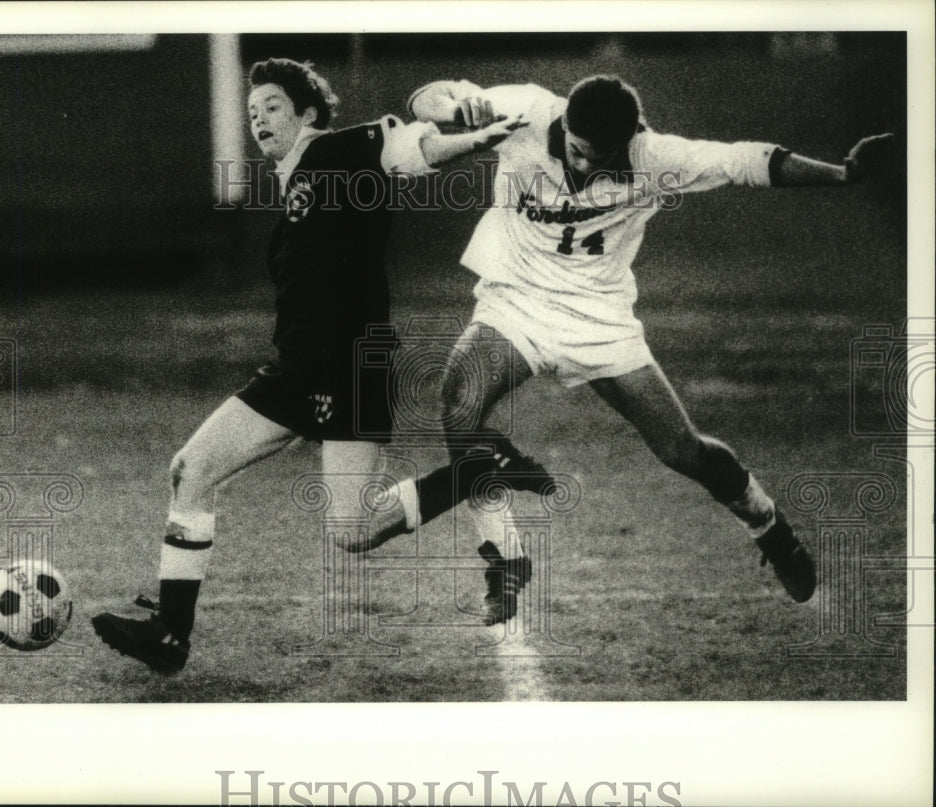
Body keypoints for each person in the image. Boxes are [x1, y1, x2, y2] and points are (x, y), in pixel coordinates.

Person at [91, 58, 544, 673]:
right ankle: (171, 634)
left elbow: (413, 148)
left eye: (273, 107)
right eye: (252, 112)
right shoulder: (296, 180)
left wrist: (472, 142)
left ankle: (478, 469)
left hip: (349, 367)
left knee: (353, 533)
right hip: (297, 367)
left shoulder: (338, 149)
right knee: (190, 468)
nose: (259, 120)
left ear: (307, 113)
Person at [396, 74, 894, 607]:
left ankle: (768, 524)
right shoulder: (523, 113)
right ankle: (505, 555)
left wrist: (842, 175)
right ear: (563, 123)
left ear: (630, 140)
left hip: (599, 317)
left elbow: (749, 161)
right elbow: (425, 98)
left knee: (683, 450)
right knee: (458, 402)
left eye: (602, 157)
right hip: (516, 299)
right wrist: (455, 106)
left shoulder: (657, 156)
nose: (585, 165)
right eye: (578, 150)